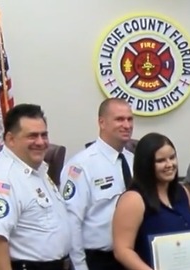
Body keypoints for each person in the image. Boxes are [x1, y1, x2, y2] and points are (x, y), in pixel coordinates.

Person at [0, 104, 71, 270]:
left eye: (44, 135)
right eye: (32, 136)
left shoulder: (38, 170)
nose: (41, 142)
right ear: (10, 139)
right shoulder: (1, 179)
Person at [59, 98, 134, 270]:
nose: (127, 125)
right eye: (119, 119)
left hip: (132, 256)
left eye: (129, 119)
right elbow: (72, 222)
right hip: (98, 260)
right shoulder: (81, 165)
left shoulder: (133, 161)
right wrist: (79, 266)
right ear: (102, 122)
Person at [112, 132, 190, 270]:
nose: (169, 164)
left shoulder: (183, 192)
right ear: (146, 164)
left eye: (172, 158)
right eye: (160, 161)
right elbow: (122, 250)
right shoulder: (133, 199)